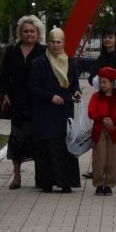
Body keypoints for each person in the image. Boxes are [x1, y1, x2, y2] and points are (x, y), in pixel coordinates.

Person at [26, 26, 83, 193]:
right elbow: (33, 87)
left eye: (59, 42)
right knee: (47, 146)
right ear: (47, 43)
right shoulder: (39, 63)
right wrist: (50, 97)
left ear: (63, 43)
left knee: (66, 146)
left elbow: (74, 83)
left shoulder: (70, 62)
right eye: (52, 42)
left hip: (64, 111)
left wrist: (77, 91)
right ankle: (47, 182)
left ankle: (66, 183)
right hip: (45, 113)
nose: (55, 45)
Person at [0, 16, 44, 189]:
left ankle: (40, 177)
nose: (29, 34)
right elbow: (3, 75)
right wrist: (4, 94)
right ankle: (16, 176)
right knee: (17, 139)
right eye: (25, 31)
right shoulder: (12, 51)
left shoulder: (43, 51)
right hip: (16, 102)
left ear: (38, 33)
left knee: (37, 140)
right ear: (20, 32)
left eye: (32, 31)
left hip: (36, 102)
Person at [88, 67, 116, 196]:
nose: (102, 85)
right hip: (99, 130)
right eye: (100, 82)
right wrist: (102, 119)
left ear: (112, 83)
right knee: (99, 159)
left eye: (105, 82)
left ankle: (109, 184)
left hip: (113, 131)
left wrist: (113, 120)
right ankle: (99, 184)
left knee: (113, 159)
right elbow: (91, 111)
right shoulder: (96, 96)